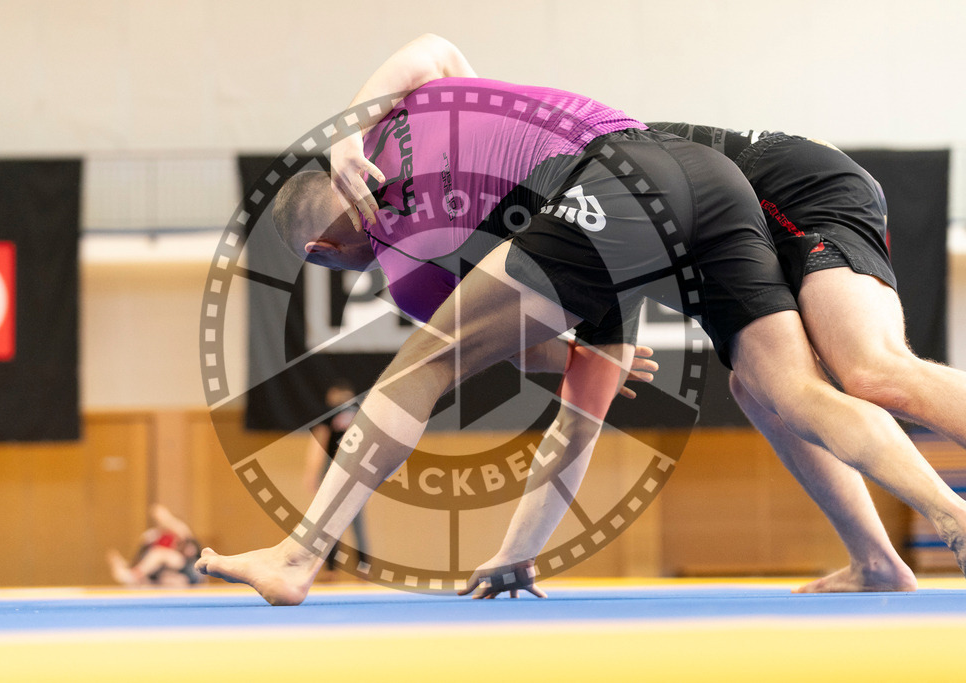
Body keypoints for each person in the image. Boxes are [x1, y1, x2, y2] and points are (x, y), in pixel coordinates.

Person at [196, 34, 966, 605]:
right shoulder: (435, 116)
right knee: (779, 388)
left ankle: (299, 555)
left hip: (656, 181)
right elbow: (433, 47)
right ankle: (933, 516)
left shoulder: (408, 260)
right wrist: (516, 553)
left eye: (332, 261)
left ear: (331, 246)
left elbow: (477, 356)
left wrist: (342, 140)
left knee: (421, 364)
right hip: (700, 186)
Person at [466, 124, 964, 597]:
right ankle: (876, 563)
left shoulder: (564, 219)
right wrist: (516, 553)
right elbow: (578, 423)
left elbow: (442, 64)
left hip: (792, 187)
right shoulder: (587, 280)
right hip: (740, 217)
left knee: (872, 369)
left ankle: (954, 519)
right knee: (762, 390)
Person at [303, 380, 370, 575]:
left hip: (334, 469)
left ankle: (331, 567)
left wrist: (311, 473)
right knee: (355, 518)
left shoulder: (330, 413)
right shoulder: (360, 413)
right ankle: (363, 565)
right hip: (353, 470)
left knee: (329, 521)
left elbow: (319, 444)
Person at [107, 504, 205, 587]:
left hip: (182, 564)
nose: (160, 520)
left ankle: (133, 575)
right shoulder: (151, 535)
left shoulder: (180, 530)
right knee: (155, 554)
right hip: (158, 570)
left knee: (159, 553)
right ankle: (131, 571)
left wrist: (165, 517)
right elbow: (140, 555)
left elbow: (189, 542)